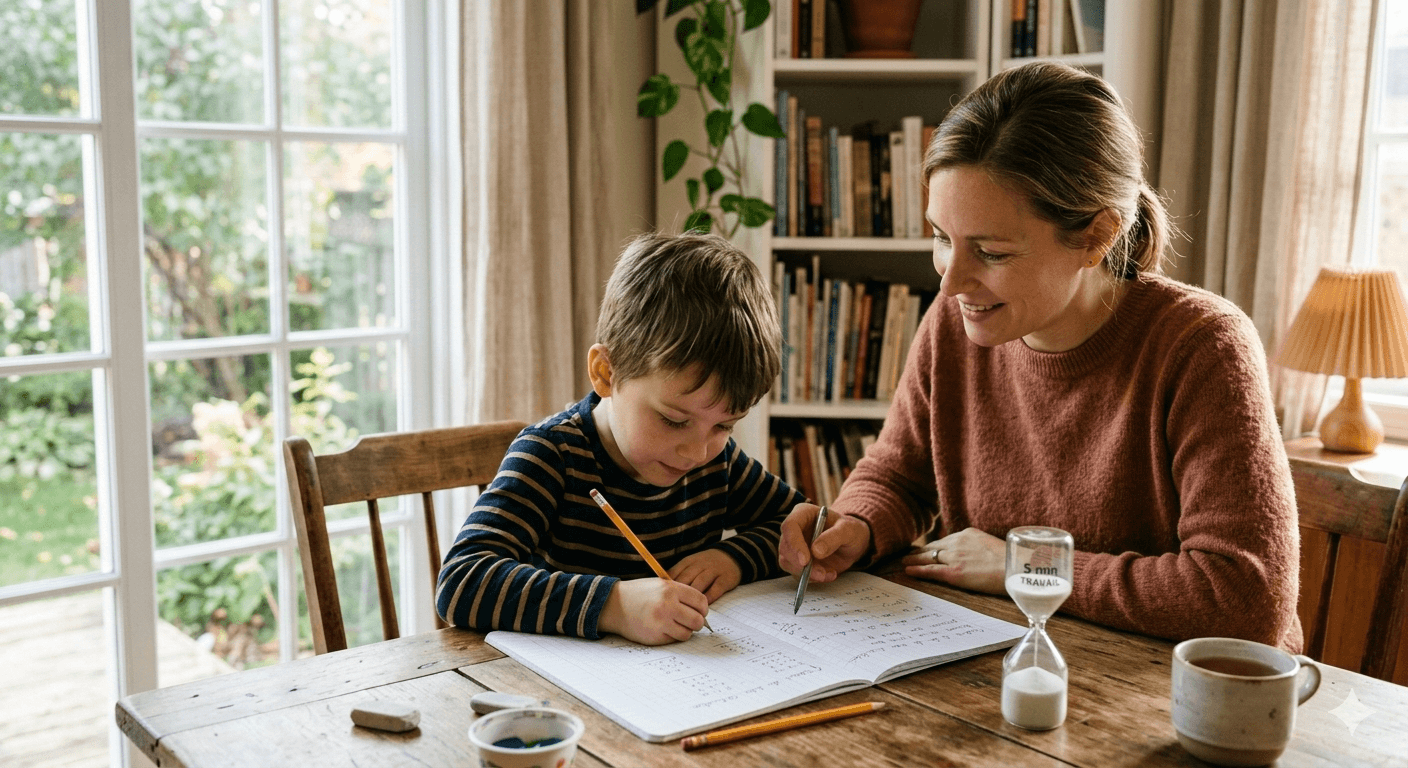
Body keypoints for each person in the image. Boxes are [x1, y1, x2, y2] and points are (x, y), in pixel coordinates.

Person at [778, 62, 1302, 651]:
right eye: (942, 238)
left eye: (991, 252)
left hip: (1175, 687)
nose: (950, 283)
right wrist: (856, 524)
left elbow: (1245, 598)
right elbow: (899, 475)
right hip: (1011, 657)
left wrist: (1025, 566)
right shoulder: (955, 324)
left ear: (1097, 236)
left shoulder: (1204, 346)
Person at [438, 231, 805, 646]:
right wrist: (614, 606)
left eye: (725, 426)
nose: (697, 451)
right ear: (606, 373)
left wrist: (733, 558)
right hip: (562, 680)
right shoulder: (551, 455)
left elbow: (796, 525)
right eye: (673, 420)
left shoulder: (717, 462)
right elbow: (462, 581)